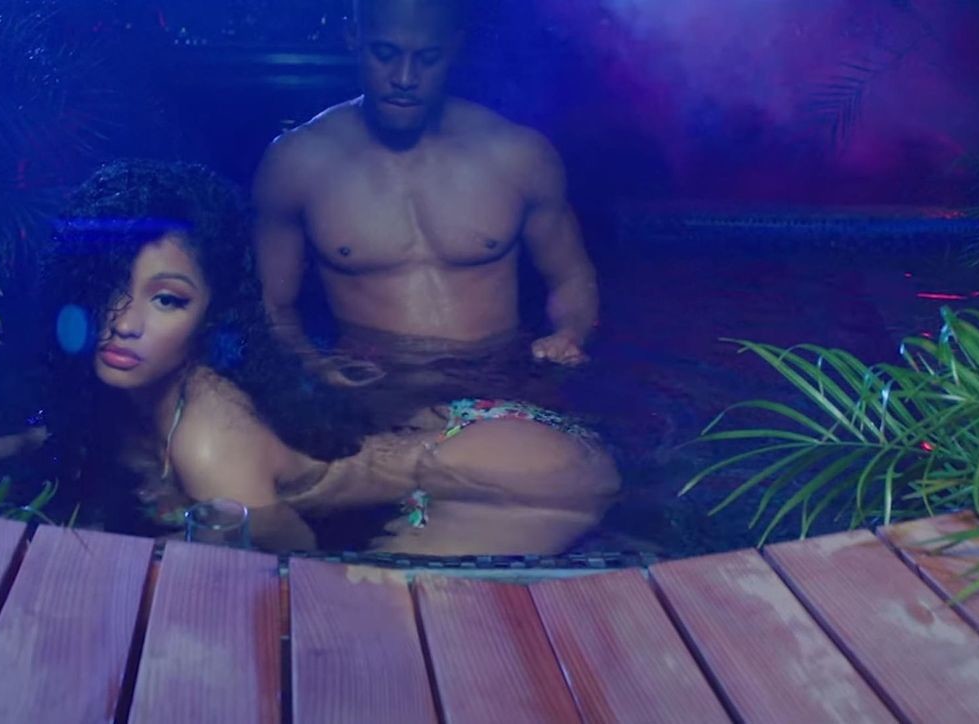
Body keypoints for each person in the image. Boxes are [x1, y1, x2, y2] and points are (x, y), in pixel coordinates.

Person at [37, 159, 617, 554]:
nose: (124, 323)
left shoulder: (209, 443)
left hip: (527, 476)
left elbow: (300, 569)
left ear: (210, 314)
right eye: (110, 286)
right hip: (473, 433)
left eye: (167, 299)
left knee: (375, 599)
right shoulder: (156, 395)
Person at [250, 0, 608, 516]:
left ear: (455, 49)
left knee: (594, 487)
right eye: (385, 54)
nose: (404, 78)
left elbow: (571, 277)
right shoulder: (298, 162)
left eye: (427, 58)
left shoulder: (515, 154)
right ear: (352, 39)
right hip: (376, 400)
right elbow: (271, 306)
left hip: (503, 388)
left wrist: (569, 334)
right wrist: (316, 368)